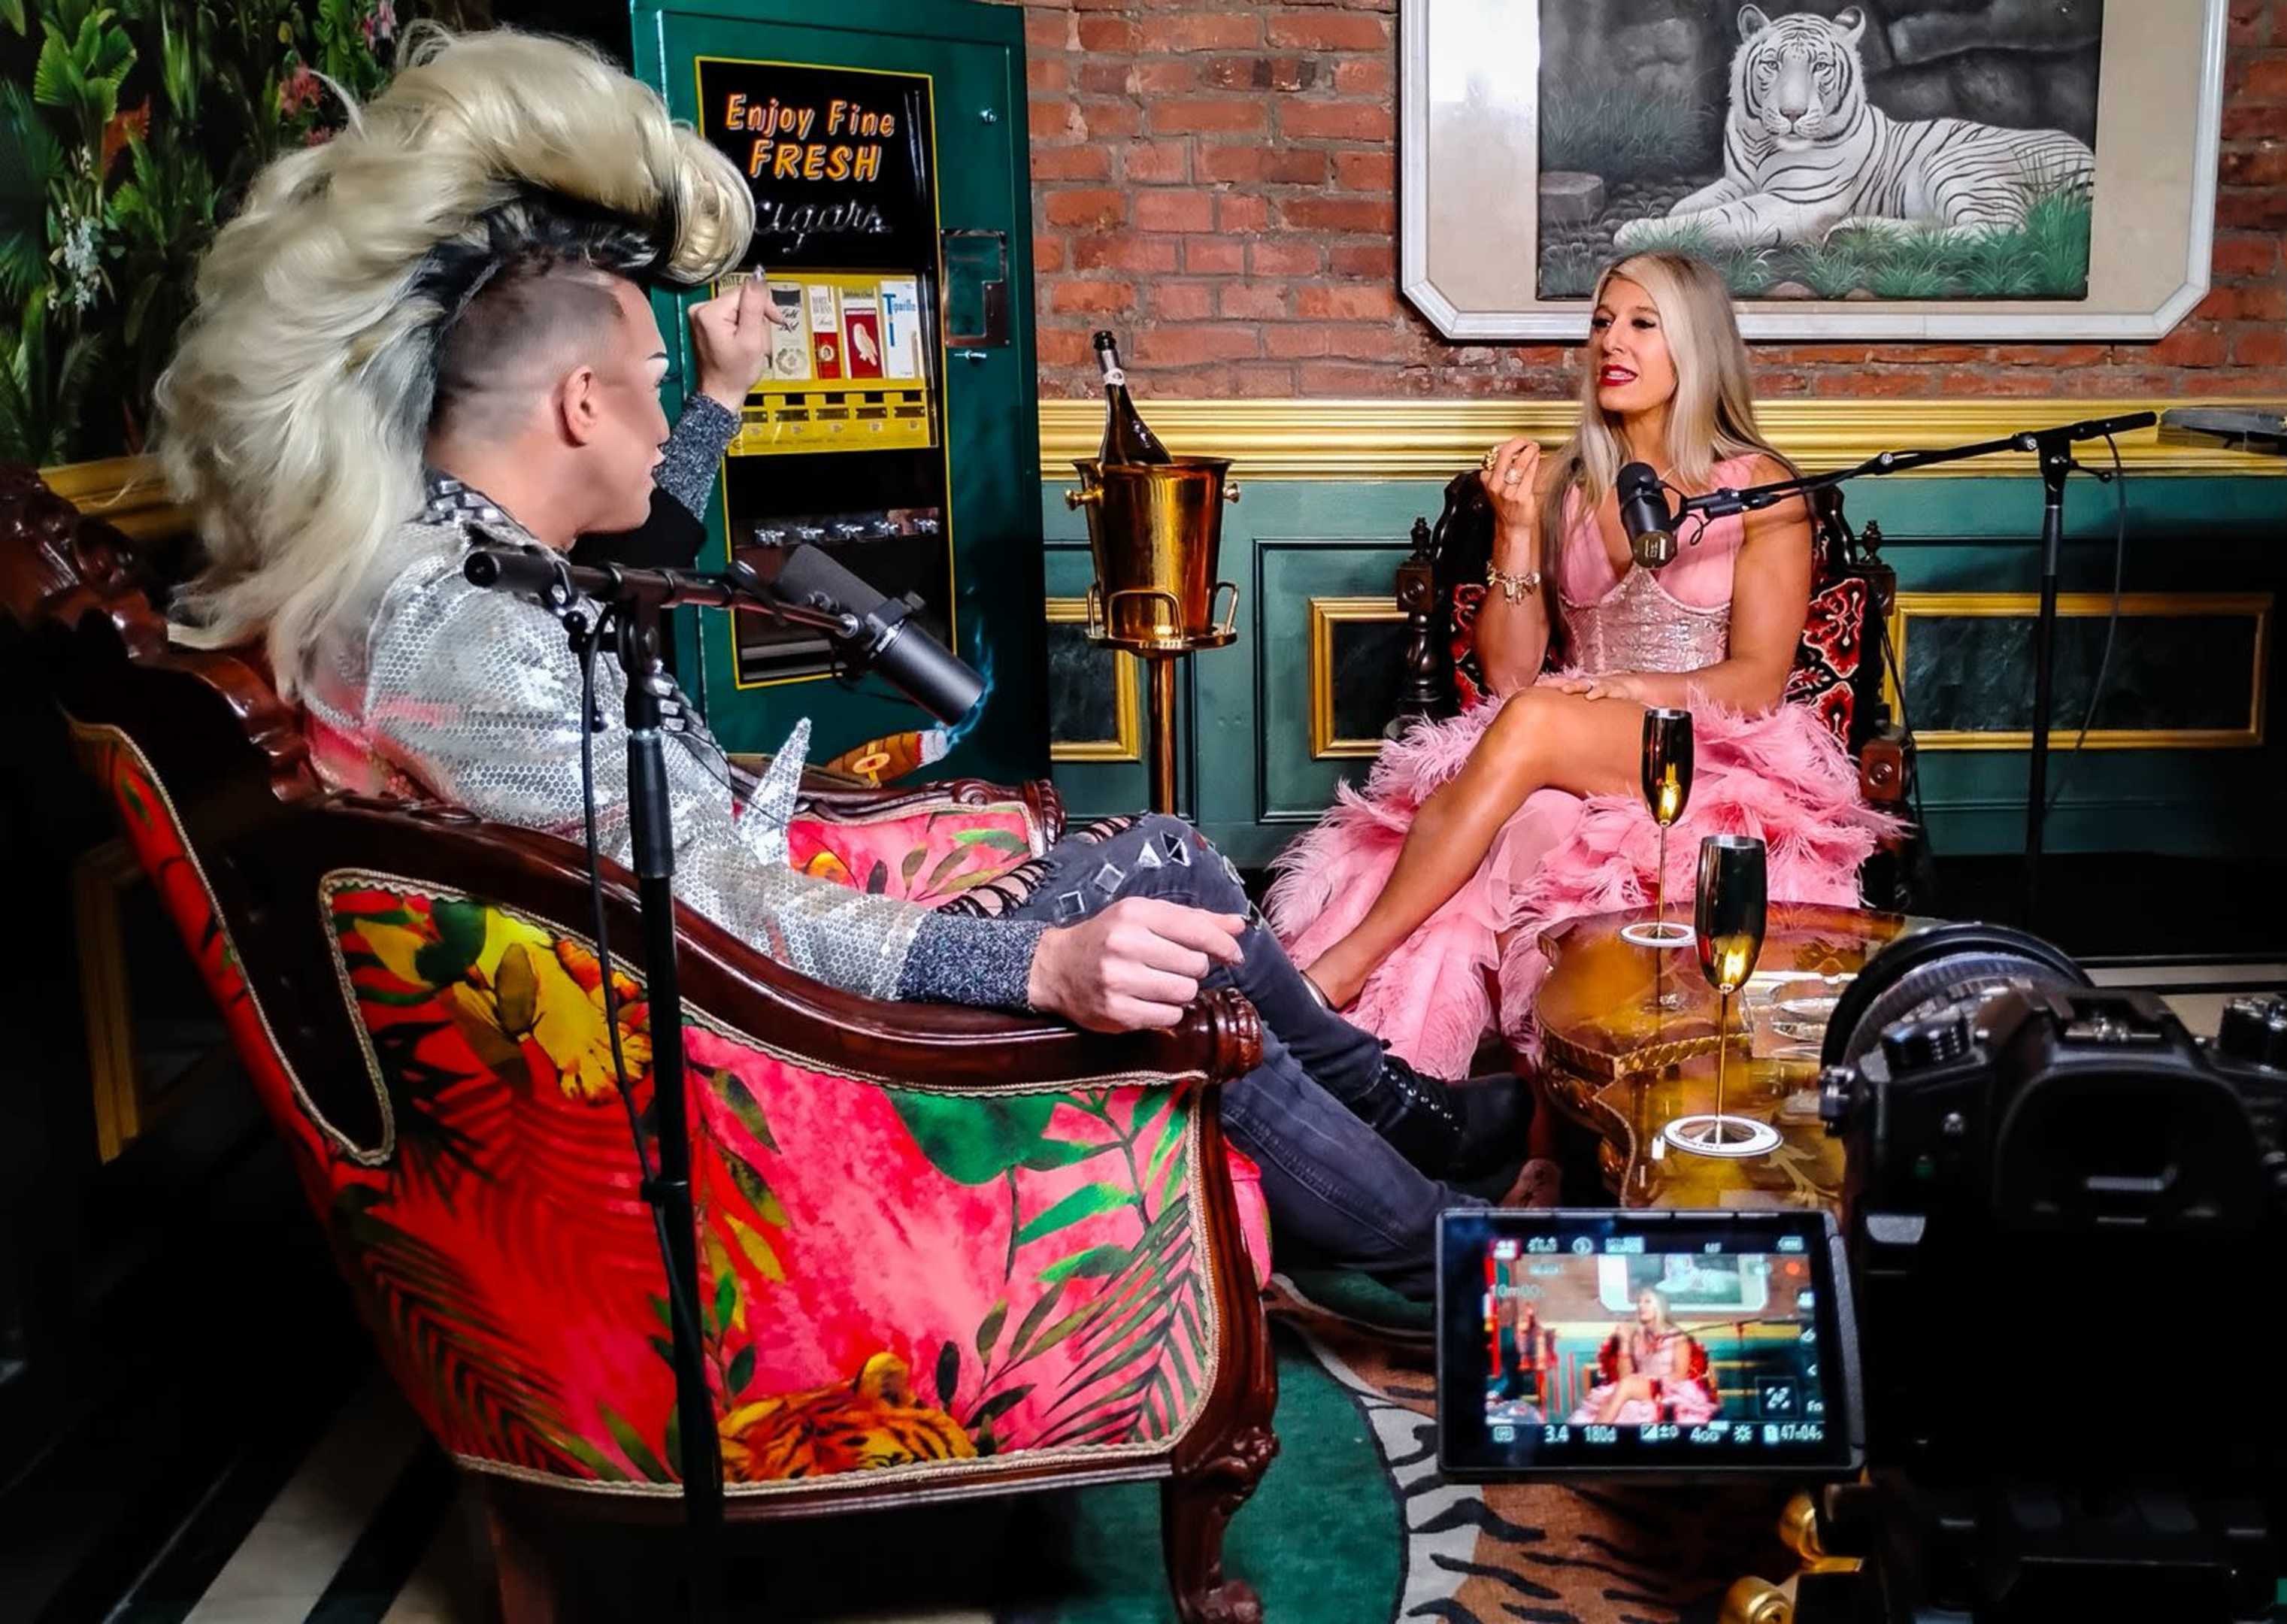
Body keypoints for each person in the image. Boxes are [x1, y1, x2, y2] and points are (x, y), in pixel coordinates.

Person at [150, 27, 1546, 1295]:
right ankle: (1432, 1240)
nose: (668, 410)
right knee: (1164, 937)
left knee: (1166, 853)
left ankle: (1398, 1116)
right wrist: (1044, 966)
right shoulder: (469, 642)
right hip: (771, 1047)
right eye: (652, 380)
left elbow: (648, 526)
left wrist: (712, 397)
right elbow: (727, 919)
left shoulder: (467, 559)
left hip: (741, 977)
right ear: (578, 402)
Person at [1267, 252, 1898, 1076]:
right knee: (1541, 826)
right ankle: (1539, 1134)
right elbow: (1512, 676)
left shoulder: (1761, 489)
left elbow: (1758, 682)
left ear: (1695, 346)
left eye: (1642, 324)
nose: (1612, 342)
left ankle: (1339, 971)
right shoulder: (1572, 485)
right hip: (1574, 741)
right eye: (1602, 323)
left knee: (1535, 727)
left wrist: (1639, 686)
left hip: (1706, 746)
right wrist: (1518, 531)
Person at [1570, 1285, 1717, 1426]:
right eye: (1639, 1302)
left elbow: (1680, 1375)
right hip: (1640, 1386)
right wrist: (1625, 1342)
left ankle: (1596, 1430)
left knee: (1628, 1385)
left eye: (1647, 1301)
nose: (1641, 1306)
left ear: (1659, 1307)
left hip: (1668, 1387)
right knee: (1619, 1391)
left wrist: (1651, 1381)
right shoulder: (1637, 1337)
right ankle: (1597, 1432)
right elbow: (1624, 1376)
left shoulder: (1677, 1338)